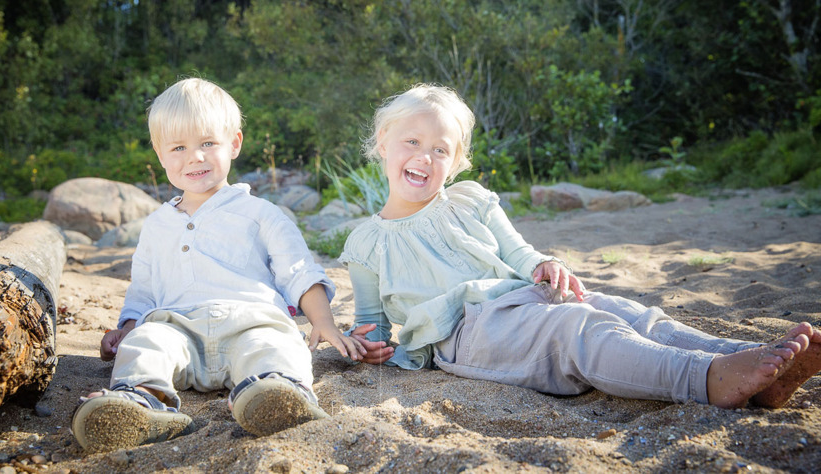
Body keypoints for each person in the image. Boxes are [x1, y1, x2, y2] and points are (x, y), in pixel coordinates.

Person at [339, 83, 821, 410]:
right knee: (577, 330)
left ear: (456, 162)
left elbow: (519, 253)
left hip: (525, 298)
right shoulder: (366, 241)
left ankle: (749, 357)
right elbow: (371, 324)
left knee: (626, 312)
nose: (424, 156)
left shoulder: (472, 200)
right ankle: (707, 378)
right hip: (464, 331)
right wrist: (367, 344)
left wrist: (545, 263)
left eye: (440, 149)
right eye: (411, 141)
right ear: (384, 143)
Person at [72, 77, 379, 452]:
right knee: (147, 344)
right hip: (178, 327)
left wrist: (323, 322)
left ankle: (276, 393)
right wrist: (128, 328)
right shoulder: (156, 225)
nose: (194, 157)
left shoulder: (260, 213)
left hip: (249, 321)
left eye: (207, 143)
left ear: (234, 144)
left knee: (275, 345)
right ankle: (138, 402)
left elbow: (298, 270)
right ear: (159, 154)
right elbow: (144, 290)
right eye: (179, 147)